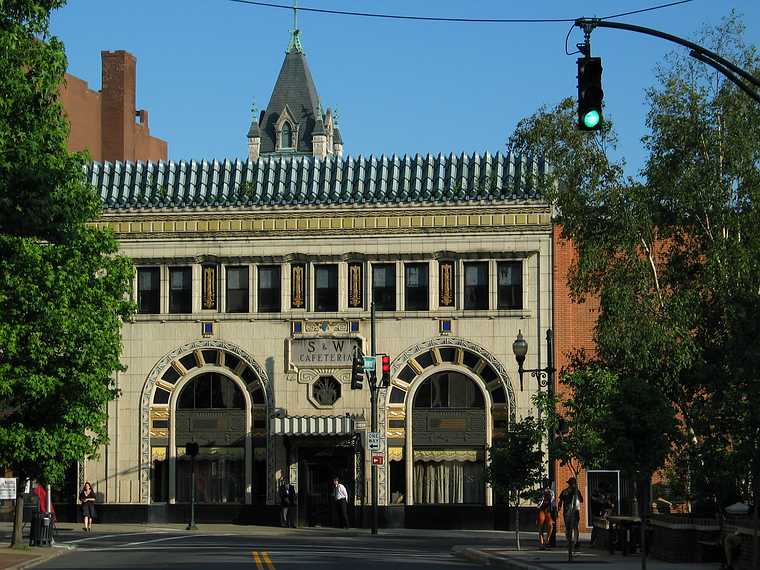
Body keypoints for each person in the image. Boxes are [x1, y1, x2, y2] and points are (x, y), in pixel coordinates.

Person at [559, 477, 584, 561]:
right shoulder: (575, 491)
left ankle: (569, 542)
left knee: (569, 528)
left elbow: (560, 502)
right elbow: (581, 500)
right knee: (575, 527)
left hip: (566, 512)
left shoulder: (564, 491)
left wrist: (558, 509)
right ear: (573, 484)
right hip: (574, 511)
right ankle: (575, 542)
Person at [536, 481, 555, 550]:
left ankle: (547, 540)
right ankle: (541, 544)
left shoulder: (551, 492)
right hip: (541, 510)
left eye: (546, 484)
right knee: (541, 526)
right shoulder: (540, 492)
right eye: (544, 484)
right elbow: (537, 501)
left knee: (550, 525)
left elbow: (552, 501)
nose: (545, 486)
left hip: (548, 510)